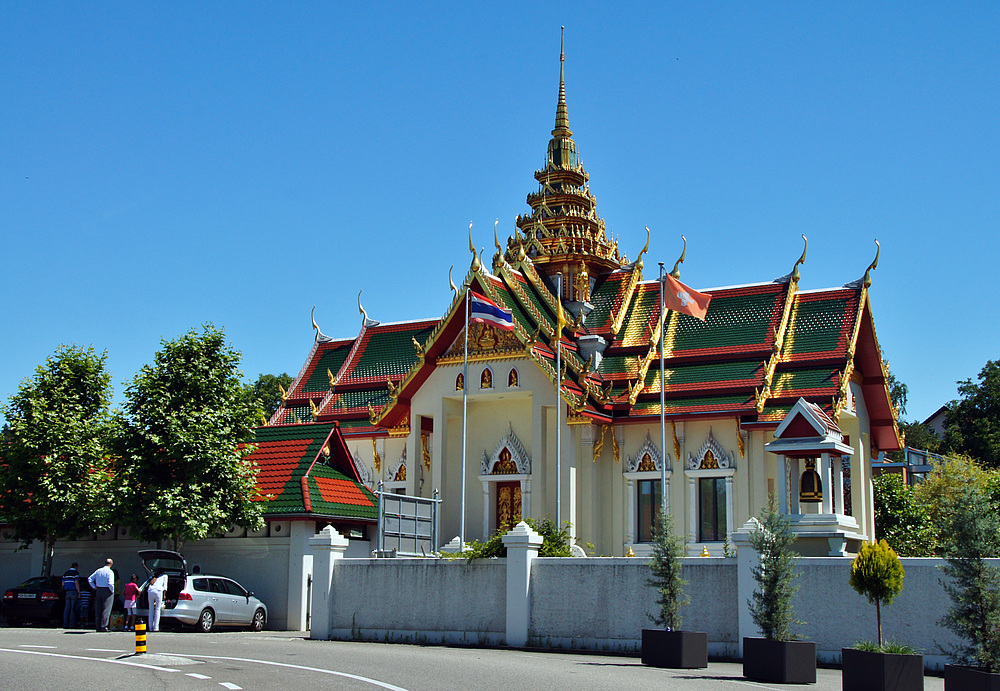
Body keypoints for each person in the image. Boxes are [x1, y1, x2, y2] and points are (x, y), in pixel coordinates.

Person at [88, 558, 115, 632]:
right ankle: (104, 626)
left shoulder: (98, 571)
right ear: (111, 564)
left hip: (99, 589)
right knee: (106, 609)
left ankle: (98, 626)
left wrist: (94, 587)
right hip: (107, 590)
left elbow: (90, 579)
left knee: (98, 608)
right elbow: (110, 583)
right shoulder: (110, 572)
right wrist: (112, 591)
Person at [147, 568, 168, 632]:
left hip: (150, 590)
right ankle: (156, 627)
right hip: (158, 591)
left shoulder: (153, 577)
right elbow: (165, 586)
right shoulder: (164, 576)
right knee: (157, 609)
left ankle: (150, 627)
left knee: (150, 609)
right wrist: (164, 595)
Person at [61, 563, 81, 628]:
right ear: (76, 567)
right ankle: (71, 624)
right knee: (73, 608)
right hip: (73, 591)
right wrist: (79, 592)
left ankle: (65, 624)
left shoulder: (65, 573)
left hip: (67, 592)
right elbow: (76, 583)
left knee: (67, 608)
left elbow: (63, 584)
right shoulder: (75, 573)